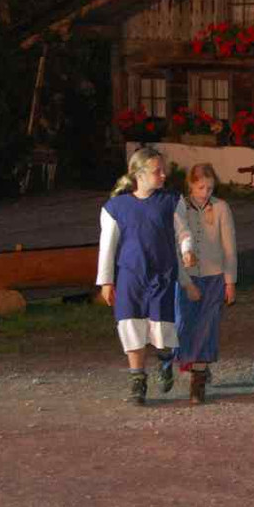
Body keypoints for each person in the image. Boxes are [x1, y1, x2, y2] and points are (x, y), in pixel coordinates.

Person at [96, 146, 198, 405]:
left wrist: (187, 250)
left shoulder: (171, 201)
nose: (164, 175)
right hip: (130, 277)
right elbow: (107, 247)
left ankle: (164, 360)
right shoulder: (115, 208)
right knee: (131, 326)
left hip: (162, 275)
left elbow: (183, 232)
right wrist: (106, 281)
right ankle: (137, 381)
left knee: (161, 331)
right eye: (157, 171)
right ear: (139, 174)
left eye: (163, 170)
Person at [156, 163, 238, 405]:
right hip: (186, 277)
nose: (205, 192)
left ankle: (198, 379)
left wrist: (230, 282)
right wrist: (183, 275)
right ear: (191, 185)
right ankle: (171, 360)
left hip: (214, 276)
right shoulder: (179, 207)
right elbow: (175, 243)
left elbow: (230, 248)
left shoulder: (221, 208)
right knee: (183, 325)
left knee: (207, 326)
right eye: (201, 187)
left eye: (210, 188)